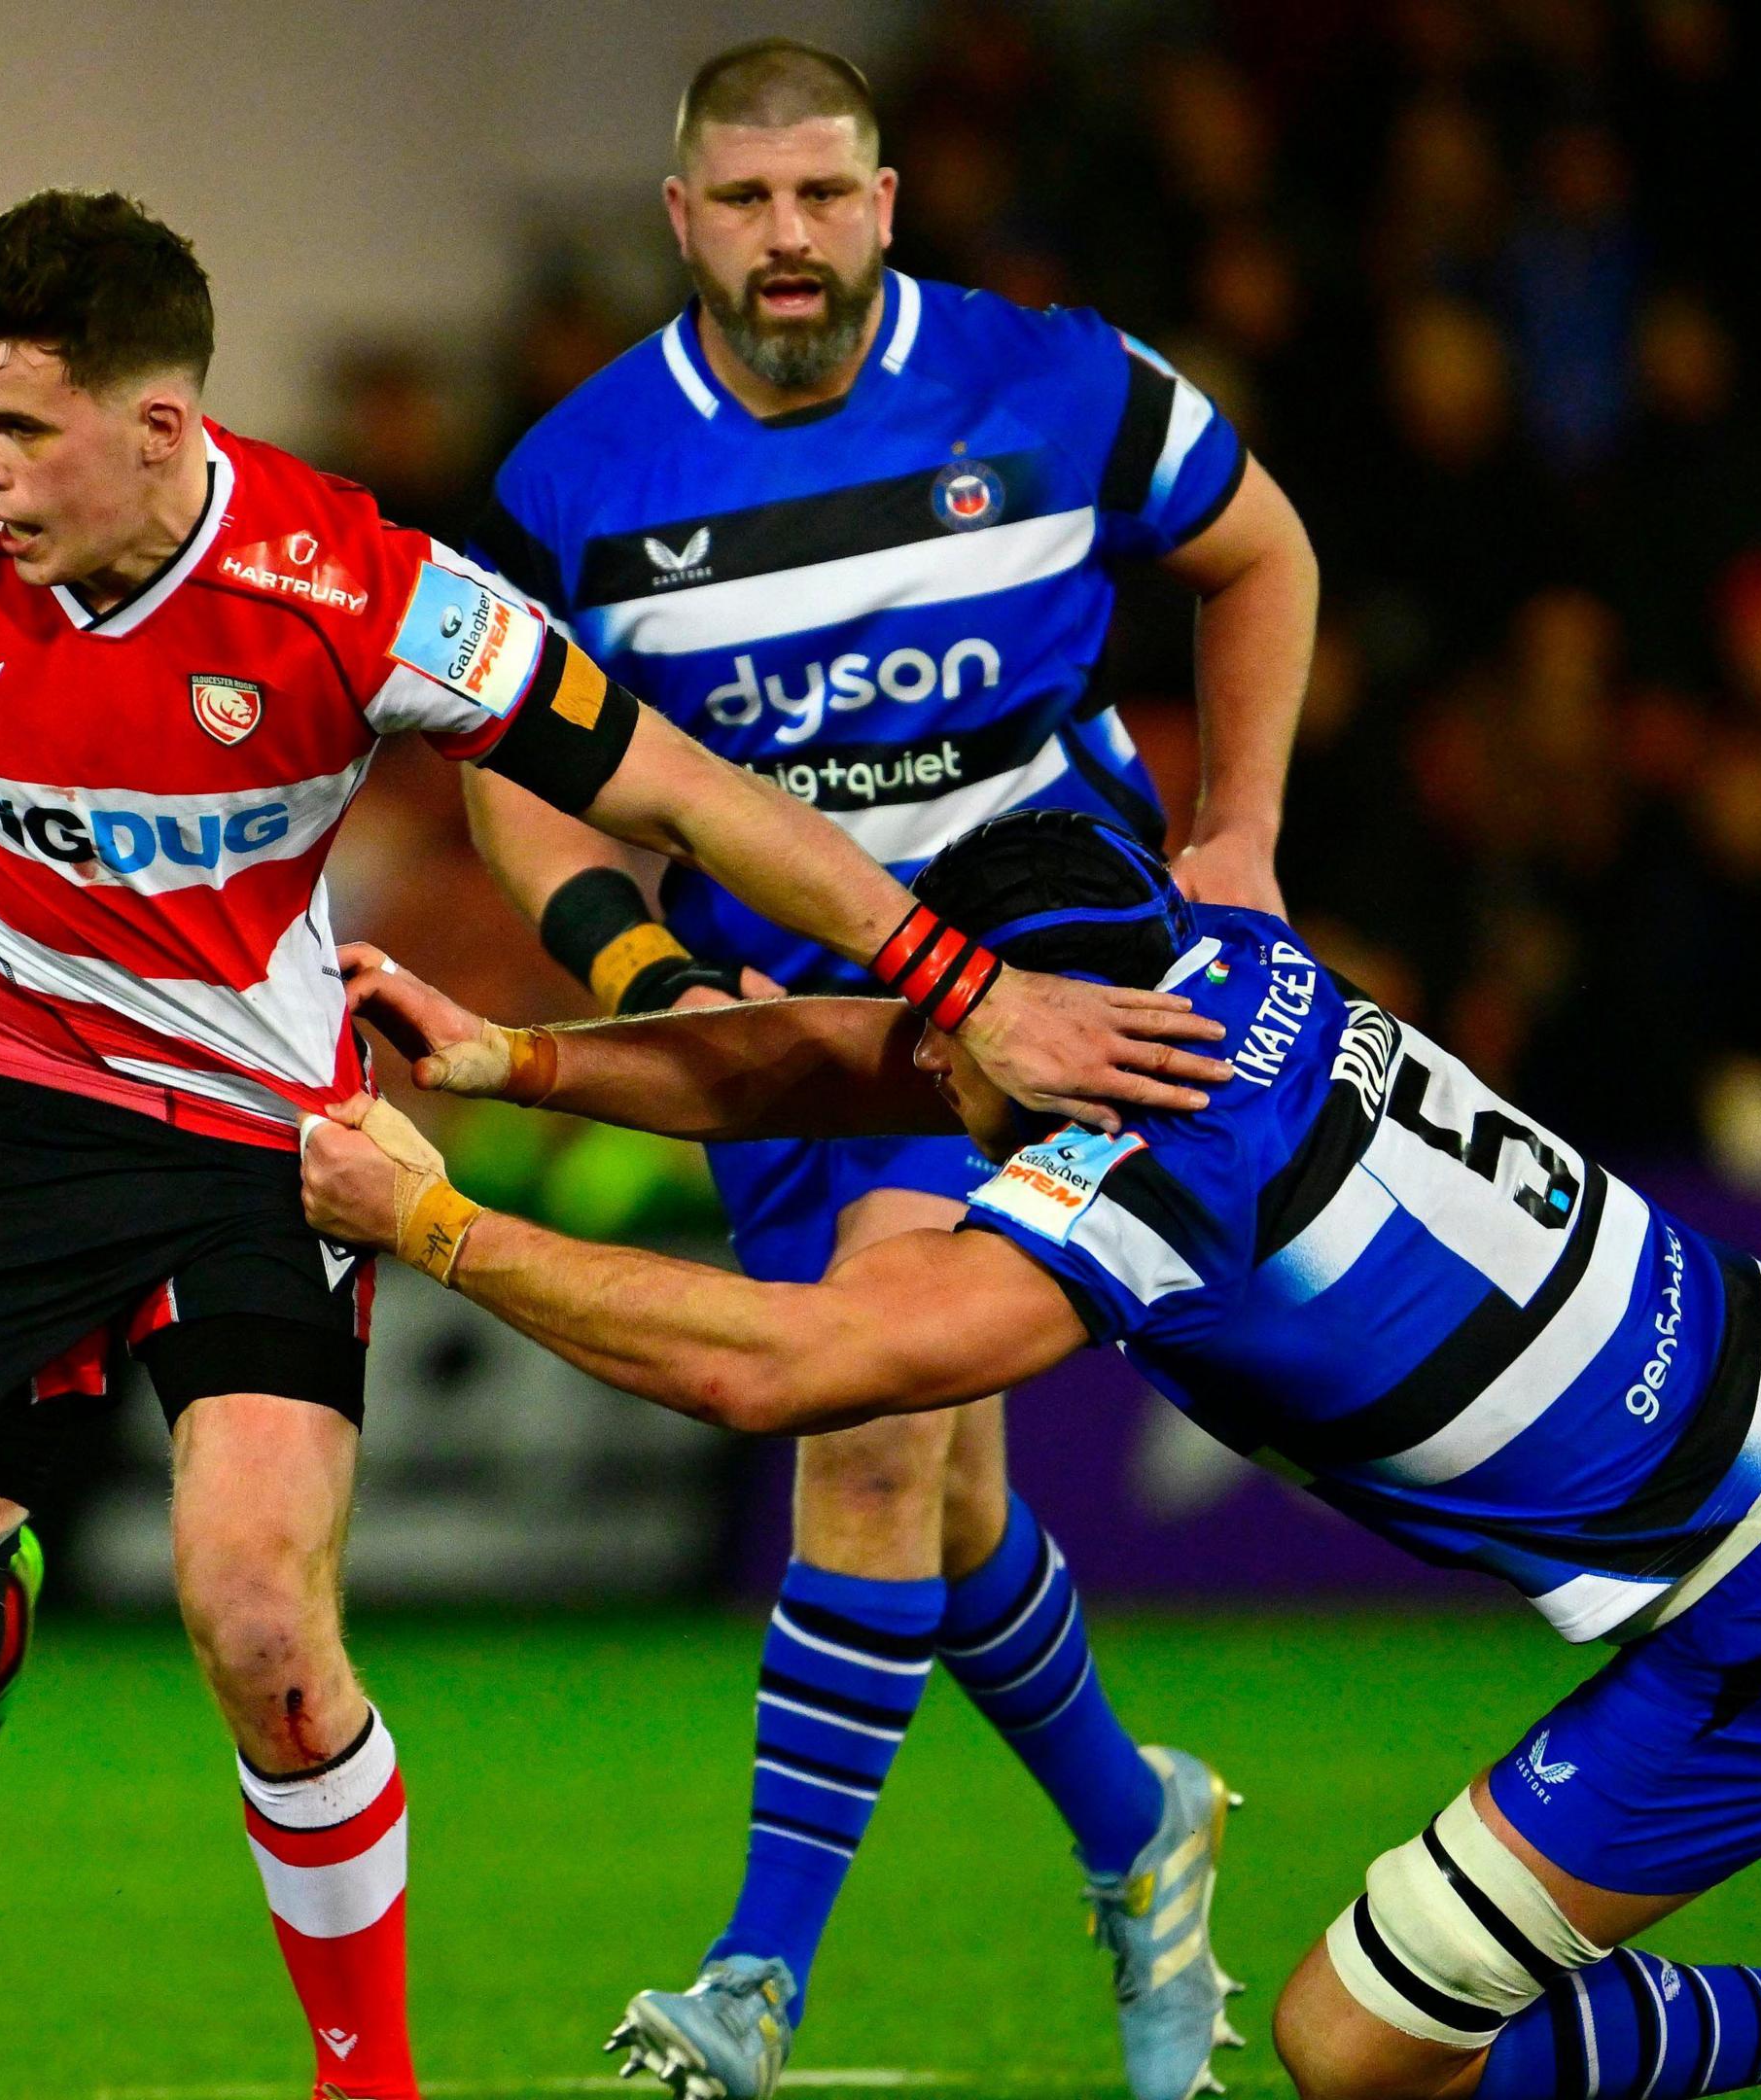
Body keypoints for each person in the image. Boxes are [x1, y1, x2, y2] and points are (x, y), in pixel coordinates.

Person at [0, 193, 1218, 2100]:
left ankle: (366, 2082)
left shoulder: (356, 589)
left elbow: (675, 784)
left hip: (261, 1143)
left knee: (261, 1616)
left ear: (163, 426)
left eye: (26, 429)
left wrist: (956, 979)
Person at [305, 808, 1761, 2100]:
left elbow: (782, 1369)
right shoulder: (1237, 960)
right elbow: (853, 1053)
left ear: (1025, 1024)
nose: (925, 1046)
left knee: (1359, 2053)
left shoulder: (1137, 1192)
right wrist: (517, 1061)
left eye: (957, 1013)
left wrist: (439, 1225)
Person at [456, 42, 1321, 2100]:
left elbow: (1260, 552)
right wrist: (641, 961)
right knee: (941, 1508)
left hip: (1038, 973)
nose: (789, 239)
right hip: (788, 1029)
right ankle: (1139, 1827)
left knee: (860, 1422)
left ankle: (756, 1983)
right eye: (747, 203)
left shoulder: (1053, 380)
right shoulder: (574, 478)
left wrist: (1240, 842)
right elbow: (516, 772)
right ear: (682, 219)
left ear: (890, 200)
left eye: (824, 197)